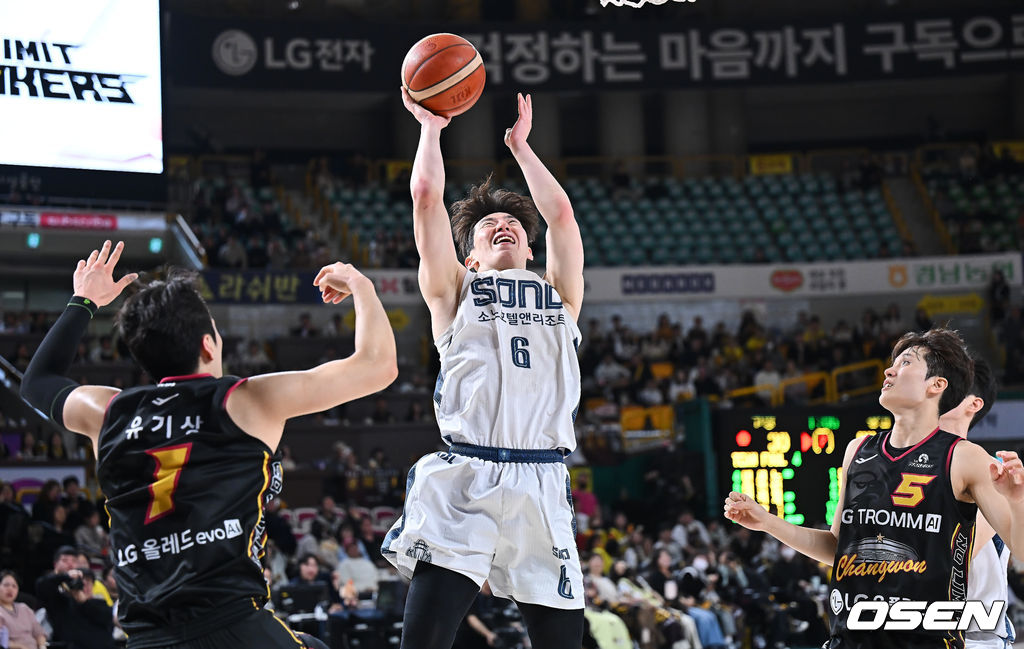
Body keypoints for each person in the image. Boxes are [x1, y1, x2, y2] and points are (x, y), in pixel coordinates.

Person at [20, 240, 397, 649]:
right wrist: (360, 284)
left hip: (148, 638)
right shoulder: (245, 400)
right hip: (233, 626)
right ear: (207, 344)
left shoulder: (108, 412)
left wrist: (84, 301)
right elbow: (377, 365)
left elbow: (37, 382)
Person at [382, 91, 585, 649]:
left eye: (513, 223)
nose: (503, 225)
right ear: (469, 257)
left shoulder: (561, 296)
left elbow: (561, 216)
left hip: (542, 480)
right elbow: (426, 198)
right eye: (488, 224)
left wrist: (521, 148)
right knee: (424, 641)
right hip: (468, 479)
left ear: (530, 248)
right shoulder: (455, 291)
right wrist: (430, 129)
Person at [725, 328, 1024, 649]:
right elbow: (838, 547)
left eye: (906, 363)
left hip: (942, 636)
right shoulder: (858, 450)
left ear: (938, 386)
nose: (889, 371)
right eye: (893, 363)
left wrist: (1017, 500)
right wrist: (768, 522)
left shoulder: (970, 460)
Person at [937, 357, 1016, 649]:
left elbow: (950, 555)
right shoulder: (904, 466)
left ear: (973, 404)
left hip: (976, 639)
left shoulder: (990, 470)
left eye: (951, 384)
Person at [34, 546, 113, 649]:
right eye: (65, 560)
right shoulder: (60, 601)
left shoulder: (99, 604)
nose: (84, 585)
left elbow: (108, 618)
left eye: (88, 582)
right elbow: (41, 585)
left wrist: (84, 601)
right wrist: (67, 576)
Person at [0, 570, 47, 649]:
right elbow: (2, 642)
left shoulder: (24, 608)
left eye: (14, 586)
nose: (10, 589)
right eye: (6, 585)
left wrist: (42, 646)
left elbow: (38, 632)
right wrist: (21, 647)